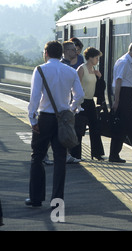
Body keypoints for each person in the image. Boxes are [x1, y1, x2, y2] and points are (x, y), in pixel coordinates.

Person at [26, 41, 84, 208]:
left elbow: (35, 97)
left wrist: (32, 119)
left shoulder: (40, 70)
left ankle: (36, 198)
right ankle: (57, 200)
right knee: (60, 159)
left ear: (46, 53)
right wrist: (71, 109)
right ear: (61, 54)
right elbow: (79, 95)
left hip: (44, 118)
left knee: (37, 156)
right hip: (63, 120)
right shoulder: (70, 71)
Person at [109, 41, 132, 163]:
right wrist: (117, 100)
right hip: (124, 96)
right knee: (126, 128)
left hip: (128, 96)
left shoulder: (128, 62)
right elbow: (118, 81)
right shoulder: (124, 62)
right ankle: (119, 154)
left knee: (129, 128)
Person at [75, 47, 105, 161]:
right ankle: (76, 154)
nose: (97, 60)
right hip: (82, 102)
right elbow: (76, 85)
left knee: (95, 127)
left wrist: (100, 77)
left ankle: (97, 153)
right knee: (79, 129)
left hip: (90, 101)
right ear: (90, 57)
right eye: (96, 58)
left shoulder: (94, 70)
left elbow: (99, 88)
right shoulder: (81, 69)